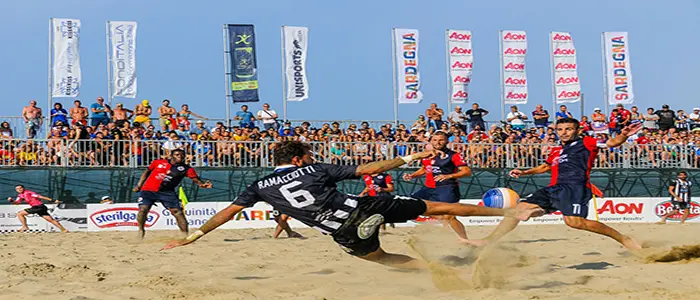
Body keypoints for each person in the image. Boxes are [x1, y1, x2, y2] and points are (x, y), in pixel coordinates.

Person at [162, 141, 542, 269]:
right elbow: (369, 168)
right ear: (297, 159)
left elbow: (228, 212)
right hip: (364, 207)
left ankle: (434, 272)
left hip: (340, 229)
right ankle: (512, 211)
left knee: (376, 258)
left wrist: (192, 237)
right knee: (436, 209)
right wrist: (411, 157)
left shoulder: (260, 184)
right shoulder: (312, 167)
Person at [462, 118, 644, 250]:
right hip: (554, 188)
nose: (564, 132)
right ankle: (490, 239)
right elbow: (545, 167)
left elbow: (612, 143)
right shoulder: (557, 150)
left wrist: (623, 135)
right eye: (560, 129)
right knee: (516, 211)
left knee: (575, 223)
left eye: (568, 129)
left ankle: (623, 238)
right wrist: (524, 172)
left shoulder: (586, 143)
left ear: (577, 130)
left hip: (575, 187)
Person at [403, 131, 472, 240]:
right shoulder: (426, 155)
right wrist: (412, 176)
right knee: (412, 204)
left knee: (450, 217)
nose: (438, 142)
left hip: (447, 188)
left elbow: (467, 171)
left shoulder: (453, 155)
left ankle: (465, 239)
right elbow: (425, 169)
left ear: (447, 141)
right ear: (430, 141)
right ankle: (439, 219)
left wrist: (449, 176)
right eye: (435, 140)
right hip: (429, 188)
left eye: (441, 140)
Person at [132, 149, 212, 238]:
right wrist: (139, 185)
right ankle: (141, 229)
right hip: (148, 190)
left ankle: (184, 235)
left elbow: (195, 178)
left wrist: (202, 184)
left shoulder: (186, 168)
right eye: (177, 155)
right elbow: (146, 172)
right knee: (143, 210)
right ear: (171, 155)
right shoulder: (158, 162)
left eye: (182, 155)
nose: (180, 157)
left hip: (167, 192)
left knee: (178, 212)